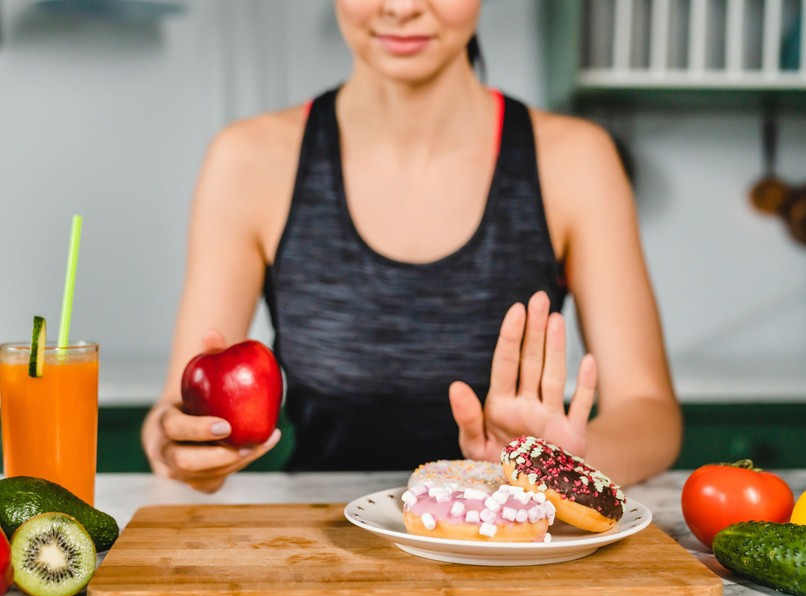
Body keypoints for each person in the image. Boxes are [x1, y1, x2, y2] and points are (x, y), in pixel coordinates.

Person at [141, 0, 682, 493]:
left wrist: (554, 465)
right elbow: (171, 413)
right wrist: (180, 442)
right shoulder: (247, 160)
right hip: (319, 554)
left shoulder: (577, 160)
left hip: (511, 557)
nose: (401, 7)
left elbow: (649, 411)